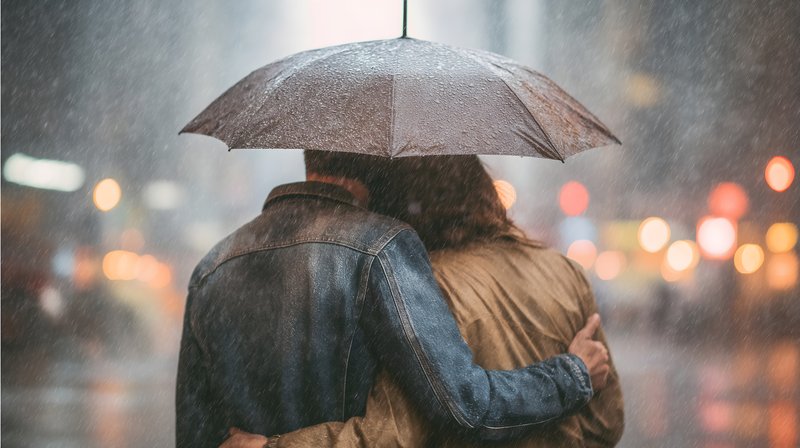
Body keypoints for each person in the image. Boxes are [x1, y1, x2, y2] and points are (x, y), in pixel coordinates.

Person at [177, 151, 610, 447]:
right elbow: (464, 405)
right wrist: (571, 376)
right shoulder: (382, 248)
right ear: (374, 166)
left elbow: (195, 433)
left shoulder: (212, 267)